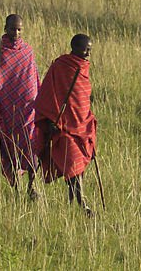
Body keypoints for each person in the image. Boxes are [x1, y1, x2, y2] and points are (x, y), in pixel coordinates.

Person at [0, 13, 40, 198]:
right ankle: (16, 187)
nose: (16, 32)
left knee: (32, 145)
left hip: (28, 108)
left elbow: (34, 79)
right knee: (9, 147)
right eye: (13, 28)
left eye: (19, 29)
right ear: (5, 28)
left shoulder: (27, 51)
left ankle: (32, 185)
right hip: (5, 109)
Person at [35, 33, 98, 215]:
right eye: (85, 49)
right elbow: (48, 93)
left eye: (90, 50)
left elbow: (83, 99)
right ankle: (81, 202)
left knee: (78, 166)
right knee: (72, 163)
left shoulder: (84, 69)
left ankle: (74, 201)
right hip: (62, 126)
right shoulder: (60, 67)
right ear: (74, 47)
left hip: (81, 126)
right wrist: (51, 119)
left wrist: (89, 122)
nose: (87, 53)